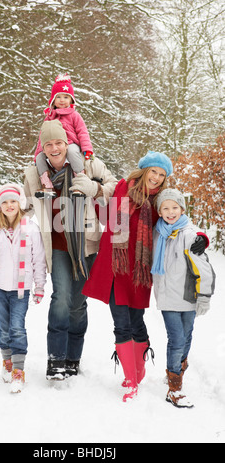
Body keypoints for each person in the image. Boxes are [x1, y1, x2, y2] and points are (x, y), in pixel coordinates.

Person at [82, 151, 208, 402]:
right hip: (115, 265)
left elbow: (178, 222)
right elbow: (106, 215)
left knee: (136, 321)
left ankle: (138, 370)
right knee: (121, 322)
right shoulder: (121, 187)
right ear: (144, 170)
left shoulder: (159, 200)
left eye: (162, 175)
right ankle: (131, 379)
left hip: (139, 269)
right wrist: (93, 192)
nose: (157, 178)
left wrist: (201, 239)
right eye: (154, 172)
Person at [24, 119, 118, 380]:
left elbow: (116, 187)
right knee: (61, 298)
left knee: (77, 304)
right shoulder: (34, 174)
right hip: (56, 246)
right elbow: (24, 206)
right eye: (49, 144)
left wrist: (95, 187)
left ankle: (73, 358)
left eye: (59, 143)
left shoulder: (87, 165)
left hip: (85, 245)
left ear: (67, 143)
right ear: (42, 148)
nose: (54, 149)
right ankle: (56, 359)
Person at [0, 183, 47, 393]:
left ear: (20, 203)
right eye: (4, 202)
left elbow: (39, 260)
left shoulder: (31, 228)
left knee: (17, 327)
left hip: (21, 290)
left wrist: (40, 286)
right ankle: (7, 361)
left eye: (13, 201)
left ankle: (18, 369)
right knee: (3, 328)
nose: (9, 205)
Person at [151, 188, 215, 408]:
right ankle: (174, 388)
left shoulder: (189, 234)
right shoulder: (156, 233)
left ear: (182, 209)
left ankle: (175, 372)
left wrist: (204, 296)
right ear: (159, 211)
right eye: (165, 208)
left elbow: (203, 268)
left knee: (187, 337)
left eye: (175, 207)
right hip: (168, 297)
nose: (170, 212)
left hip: (188, 297)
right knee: (176, 339)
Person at [34, 74, 94, 199]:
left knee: (72, 151)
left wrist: (87, 149)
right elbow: (42, 138)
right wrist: (38, 153)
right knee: (39, 158)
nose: (62, 100)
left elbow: (83, 132)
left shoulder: (74, 115)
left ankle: (80, 182)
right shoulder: (50, 117)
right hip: (53, 145)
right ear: (53, 100)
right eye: (59, 97)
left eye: (66, 97)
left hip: (71, 144)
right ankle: (47, 185)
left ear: (71, 100)